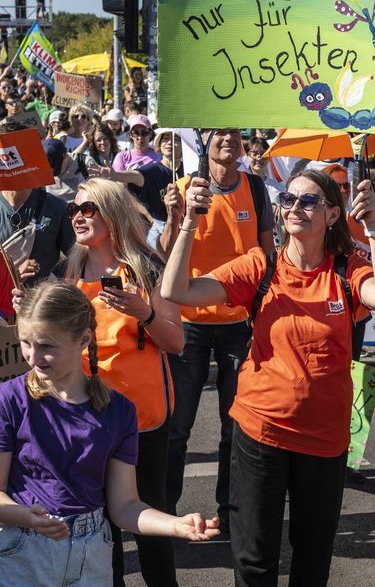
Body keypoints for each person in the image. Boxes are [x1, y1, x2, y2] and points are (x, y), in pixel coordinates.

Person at [162, 169, 375, 586]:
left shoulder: (347, 269)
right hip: (260, 432)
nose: (296, 208)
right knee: (254, 560)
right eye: (289, 199)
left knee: (312, 561)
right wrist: (188, 222)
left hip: (324, 440)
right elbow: (176, 291)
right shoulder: (261, 265)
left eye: (309, 202)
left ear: (331, 214)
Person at [12, 178, 184, 587]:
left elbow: (175, 342)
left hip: (144, 417)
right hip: (85, 418)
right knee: (98, 528)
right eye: (74, 210)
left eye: (88, 209)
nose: (77, 217)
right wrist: (25, 307)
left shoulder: (147, 267)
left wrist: (145, 313)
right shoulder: (64, 271)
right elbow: (44, 335)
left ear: (113, 212)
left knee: (149, 522)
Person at [0, 281, 218, 587]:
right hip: (23, 554)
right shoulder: (9, 400)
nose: (33, 357)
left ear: (84, 339)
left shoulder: (119, 412)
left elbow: (125, 506)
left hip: (93, 555)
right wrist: (24, 516)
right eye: (25, 342)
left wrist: (176, 525)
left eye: (48, 346)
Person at [163, 128, 275, 537]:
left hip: (236, 325)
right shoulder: (182, 186)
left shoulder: (257, 188)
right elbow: (164, 254)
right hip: (189, 327)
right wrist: (177, 217)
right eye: (218, 135)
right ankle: (167, 513)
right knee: (177, 428)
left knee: (236, 427)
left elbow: (267, 254)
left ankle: (231, 514)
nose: (228, 139)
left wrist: (258, 306)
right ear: (204, 144)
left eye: (234, 134)